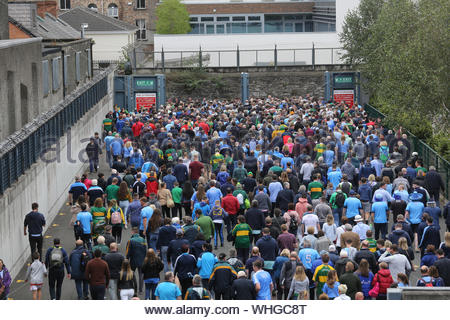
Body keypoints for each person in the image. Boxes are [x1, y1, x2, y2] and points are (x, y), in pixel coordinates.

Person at [126, 227, 147, 295]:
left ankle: (133, 288)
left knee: (131, 274)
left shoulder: (130, 241)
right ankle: (140, 290)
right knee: (141, 275)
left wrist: (127, 259)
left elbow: (128, 252)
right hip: (142, 260)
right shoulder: (143, 240)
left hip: (133, 260)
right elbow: (145, 250)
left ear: (132, 232)